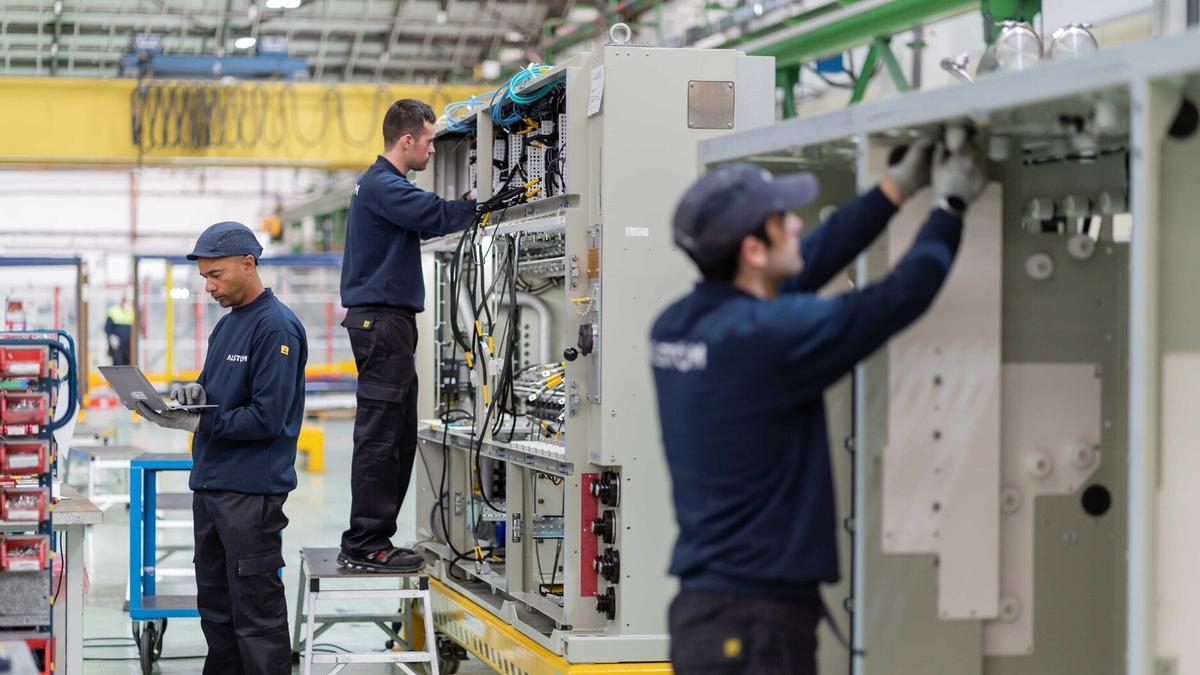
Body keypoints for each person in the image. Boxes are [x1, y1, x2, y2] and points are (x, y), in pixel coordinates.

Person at [651, 135, 986, 674]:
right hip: (753, 631)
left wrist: (896, 188)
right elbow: (899, 296)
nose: (797, 225)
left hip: (714, 613)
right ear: (753, 250)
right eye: (783, 219)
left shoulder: (678, 326)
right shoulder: (766, 340)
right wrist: (950, 209)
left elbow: (810, 264)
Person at [135, 221, 307, 674]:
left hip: (250, 495)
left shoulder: (277, 329)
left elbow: (267, 418)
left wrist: (196, 420)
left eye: (217, 275)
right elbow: (216, 395)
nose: (209, 287)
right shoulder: (227, 327)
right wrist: (194, 392)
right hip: (211, 488)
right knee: (216, 611)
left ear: (248, 265)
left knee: (256, 617)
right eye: (205, 278)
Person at [338, 99, 477, 572]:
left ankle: (375, 536)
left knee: (397, 435)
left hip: (388, 325)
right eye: (430, 140)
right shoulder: (383, 185)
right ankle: (365, 541)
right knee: (380, 436)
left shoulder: (380, 187)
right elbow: (435, 215)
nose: (433, 150)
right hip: (382, 325)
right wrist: (486, 205)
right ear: (407, 140)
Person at [104, 295, 133, 365]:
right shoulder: (113, 311)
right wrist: (111, 337)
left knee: (128, 366)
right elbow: (107, 327)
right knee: (118, 364)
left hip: (128, 346)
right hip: (117, 345)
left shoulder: (131, 311)